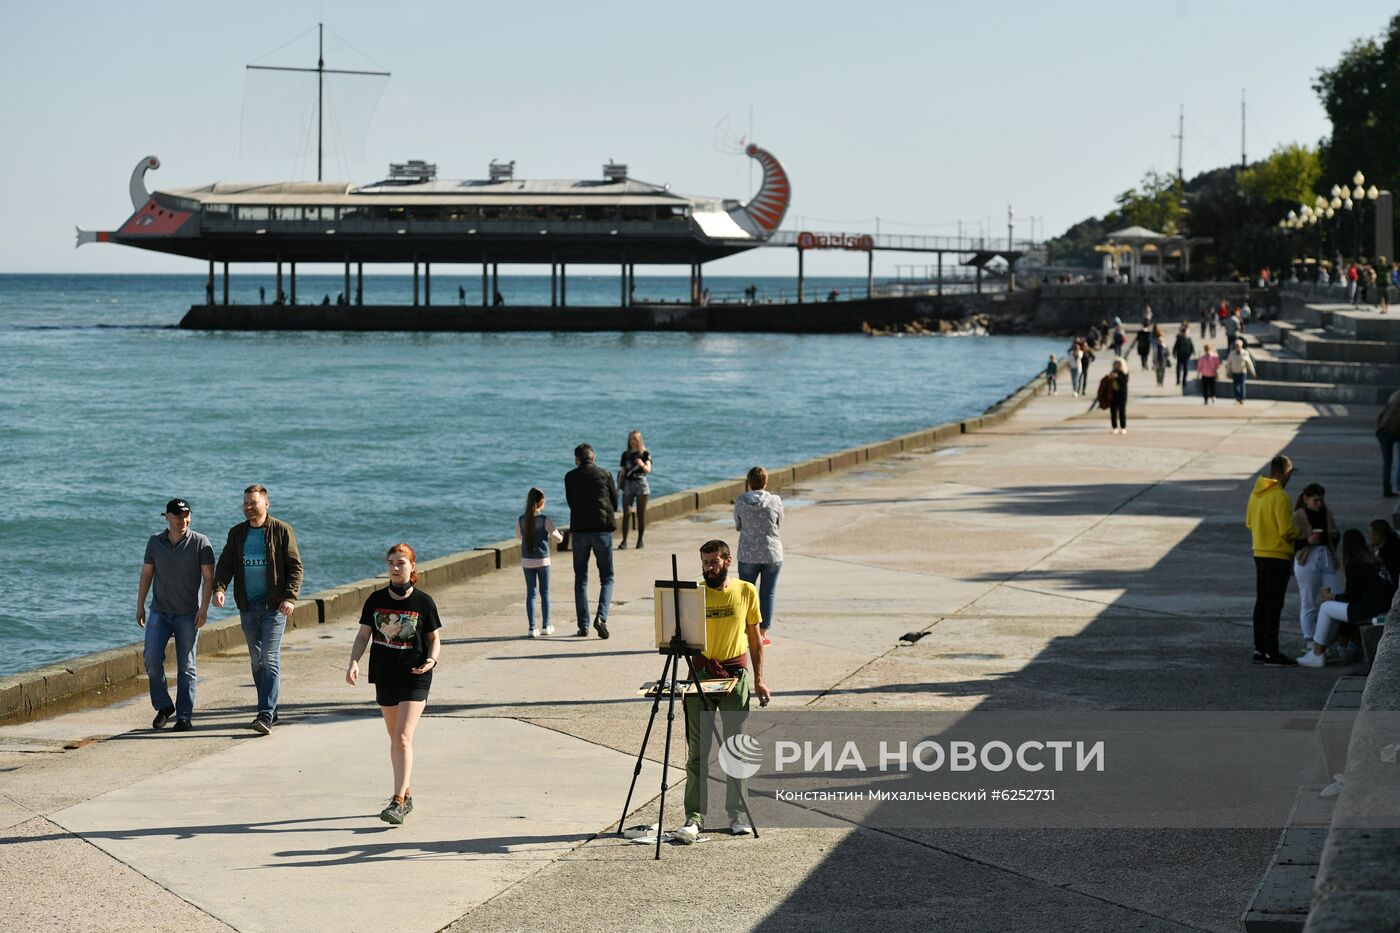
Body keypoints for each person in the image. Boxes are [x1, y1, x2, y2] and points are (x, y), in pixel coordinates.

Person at [673, 540, 770, 844]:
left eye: (714, 562)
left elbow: (755, 641)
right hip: (701, 675)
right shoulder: (694, 594)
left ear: (728, 561)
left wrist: (759, 679)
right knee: (697, 753)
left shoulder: (745, 591)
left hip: (735, 675)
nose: (708, 568)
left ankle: (737, 814)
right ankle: (694, 817)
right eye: (704, 563)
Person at [345, 543, 442, 823]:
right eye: (391, 563)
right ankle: (407, 792)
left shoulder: (423, 602)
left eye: (401, 563)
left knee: (401, 737)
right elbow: (364, 635)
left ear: (412, 567)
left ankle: (397, 801)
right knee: (396, 739)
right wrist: (354, 662)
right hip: (384, 674)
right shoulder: (375, 600)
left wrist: (432, 660)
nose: (395, 568)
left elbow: (435, 639)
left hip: (416, 675)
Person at [213, 484, 303, 733]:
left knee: (270, 658)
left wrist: (290, 597)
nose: (248, 507)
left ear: (266, 504)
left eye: (253, 503)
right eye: (245, 503)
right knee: (256, 661)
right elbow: (226, 563)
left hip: (274, 607)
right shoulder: (237, 533)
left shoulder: (281, 530)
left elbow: (296, 567)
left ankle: (264, 714)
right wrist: (219, 589)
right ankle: (271, 710)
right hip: (247, 605)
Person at [137, 498, 215, 732]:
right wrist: (140, 605)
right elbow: (146, 575)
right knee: (151, 659)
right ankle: (163, 706)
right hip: (159, 612)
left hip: (188, 615)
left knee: (187, 666)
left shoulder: (201, 542)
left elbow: (209, 578)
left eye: (187, 515)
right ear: (167, 517)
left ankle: (184, 715)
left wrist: (204, 609)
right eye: (178, 515)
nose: (184, 520)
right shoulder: (155, 542)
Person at [1298, 529, 1396, 667]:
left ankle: (1317, 654)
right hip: (1383, 606)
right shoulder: (1374, 560)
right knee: (1333, 609)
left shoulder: (1355, 563)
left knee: (1326, 607)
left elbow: (1352, 596)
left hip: (1369, 610)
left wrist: (1332, 596)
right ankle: (1325, 649)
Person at [1246, 455, 1298, 666]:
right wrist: (1301, 532)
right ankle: (1272, 651)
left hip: (1259, 552)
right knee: (1274, 605)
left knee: (1262, 602)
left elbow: (1250, 523)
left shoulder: (1256, 494)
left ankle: (1260, 649)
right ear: (1286, 473)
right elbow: (1286, 530)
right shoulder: (1281, 497)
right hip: (1278, 555)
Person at [565, 444, 618, 638]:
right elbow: (615, 501)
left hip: (579, 531)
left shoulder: (570, 477)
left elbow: (571, 502)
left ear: (577, 459)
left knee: (581, 579)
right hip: (602, 531)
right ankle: (601, 618)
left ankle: (584, 626)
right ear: (593, 457)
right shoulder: (605, 474)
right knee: (607, 578)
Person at [734, 467, 784, 647]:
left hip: (747, 552)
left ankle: (748, 632)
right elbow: (779, 524)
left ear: (748, 483)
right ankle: (762, 634)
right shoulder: (775, 500)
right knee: (767, 593)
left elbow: (738, 524)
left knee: (747, 594)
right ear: (766, 482)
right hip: (772, 552)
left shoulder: (740, 501)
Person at [1292, 483, 1340, 656]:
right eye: (1315, 500)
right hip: (1307, 558)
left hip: (1326, 556)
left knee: (1335, 596)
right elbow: (1290, 542)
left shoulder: (1326, 513)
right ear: (1306, 499)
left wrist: (1334, 535)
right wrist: (1307, 541)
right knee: (1308, 600)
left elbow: (1334, 535)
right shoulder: (1298, 516)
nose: (1319, 503)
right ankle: (1311, 640)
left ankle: (1329, 639)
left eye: (1321, 500)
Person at [516, 487, 563, 637]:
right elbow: (558, 538)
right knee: (545, 592)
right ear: (541, 502)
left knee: (531, 594)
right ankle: (546, 625)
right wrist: (559, 535)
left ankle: (532, 628)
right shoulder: (544, 520)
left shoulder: (522, 520)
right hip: (543, 560)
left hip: (527, 561)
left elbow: (519, 536)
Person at [618, 430, 652, 549]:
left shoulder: (645, 454)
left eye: (635, 440)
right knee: (626, 513)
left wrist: (641, 463)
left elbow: (648, 469)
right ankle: (624, 541)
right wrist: (617, 488)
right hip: (628, 484)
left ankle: (640, 540)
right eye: (631, 439)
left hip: (641, 484)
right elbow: (622, 472)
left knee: (640, 514)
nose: (632, 442)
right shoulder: (625, 455)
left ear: (639, 441)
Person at [1377, 389, 1400, 498]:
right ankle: (1397, 486)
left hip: (1382, 431)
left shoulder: (1395, 396)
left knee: (1387, 463)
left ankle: (1387, 490)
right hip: (1393, 432)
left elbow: (1383, 414)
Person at [1096, 358, 1129, 434]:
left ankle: (1123, 427)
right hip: (1112, 394)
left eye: (1118, 364)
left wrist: (1117, 377)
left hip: (1122, 395)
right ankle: (1114, 427)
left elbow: (1125, 382)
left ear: (1121, 365)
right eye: (1115, 364)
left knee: (1122, 411)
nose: (1116, 365)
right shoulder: (1112, 372)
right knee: (1113, 411)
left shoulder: (1124, 372)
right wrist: (1109, 377)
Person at [1226, 339, 1257, 404]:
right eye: (1236, 345)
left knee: (1242, 385)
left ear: (1241, 346)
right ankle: (1237, 398)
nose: (1237, 347)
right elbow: (1229, 363)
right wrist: (1228, 372)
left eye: (1238, 345)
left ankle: (1242, 398)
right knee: (1236, 386)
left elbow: (1249, 363)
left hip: (1242, 372)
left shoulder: (1245, 353)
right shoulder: (1232, 353)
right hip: (1235, 372)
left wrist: (1253, 371)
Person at [1370, 519, 1400, 583]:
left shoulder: (1385, 553)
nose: (1370, 537)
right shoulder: (1395, 542)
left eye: (1371, 534)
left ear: (1378, 536)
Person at [1172, 324, 1195, 393]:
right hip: (1179, 356)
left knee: (1185, 369)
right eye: (1184, 332)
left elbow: (1192, 347)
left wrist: (1192, 353)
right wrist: (1174, 353)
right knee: (1178, 369)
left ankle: (1184, 381)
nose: (1185, 333)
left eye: (1186, 332)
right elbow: (1175, 347)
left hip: (1186, 357)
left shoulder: (1189, 339)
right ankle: (1178, 380)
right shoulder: (1179, 339)